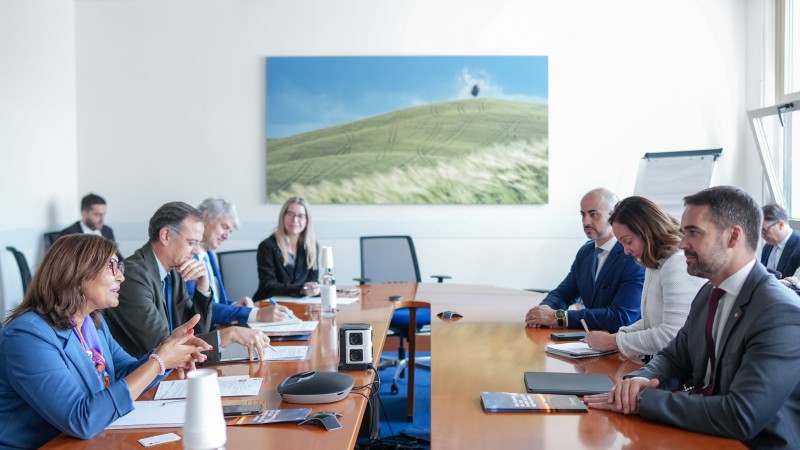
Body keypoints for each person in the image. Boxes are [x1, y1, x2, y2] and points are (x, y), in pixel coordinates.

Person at [585, 186, 800, 448]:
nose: (682, 243)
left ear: (733, 237)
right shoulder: (708, 292)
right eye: (684, 232)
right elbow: (676, 357)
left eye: (693, 233)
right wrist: (637, 382)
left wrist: (643, 400)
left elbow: (741, 415)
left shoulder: (780, 312)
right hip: (704, 434)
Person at [0, 234, 212, 449]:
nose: (120, 277)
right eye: (111, 266)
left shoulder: (92, 323)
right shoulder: (27, 336)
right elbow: (81, 419)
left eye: (119, 266)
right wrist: (159, 361)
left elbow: (124, 373)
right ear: (76, 273)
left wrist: (167, 351)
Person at [105, 202, 269, 360]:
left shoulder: (174, 273)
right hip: (144, 379)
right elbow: (163, 347)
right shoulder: (133, 276)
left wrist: (203, 287)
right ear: (166, 236)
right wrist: (229, 334)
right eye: (192, 243)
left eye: (199, 244)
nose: (197, 251)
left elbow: (195, 330)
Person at [583, 196, 706, 359]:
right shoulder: (655, 261)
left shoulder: (678, 264)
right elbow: (651, 322)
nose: (626, 251)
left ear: (647, 232)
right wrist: (616, 337)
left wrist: (615, 342)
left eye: (628, 241)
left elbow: (672, 336)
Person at [525, 188, 645, 333]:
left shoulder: (632, 255)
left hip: (623, 347)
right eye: (583, 215)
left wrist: (558, 317)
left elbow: (620, 317)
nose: (586, 221)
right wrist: (545, 309)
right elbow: (564, 293)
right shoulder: (586, 252)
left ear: (613, 215)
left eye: (593, 214)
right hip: (590, 342)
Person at [188, 198, 292, 326]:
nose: (227, 236)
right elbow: (198, 307)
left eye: (230, 231)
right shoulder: (188, 257)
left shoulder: (209, 255)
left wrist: (234, 305)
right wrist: (255, 314)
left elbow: (216, 301)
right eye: (224, 227)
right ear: (205, 217)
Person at [254, 197, 320, 300]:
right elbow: (267, 286)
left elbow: (313, 280)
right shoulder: (267, 246)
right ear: (283, 217)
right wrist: (301, 288)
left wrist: (315, 288)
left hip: (301, 305)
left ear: (307, 221)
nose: (295, 220)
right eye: (290, 214)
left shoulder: (311, 246)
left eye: (301, 216)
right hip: (269, 305)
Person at [759, 203, 800, 279]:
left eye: (764, 230)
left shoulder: (798, 247)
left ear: (781, 225)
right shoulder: (767, 247)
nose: (762, 235)